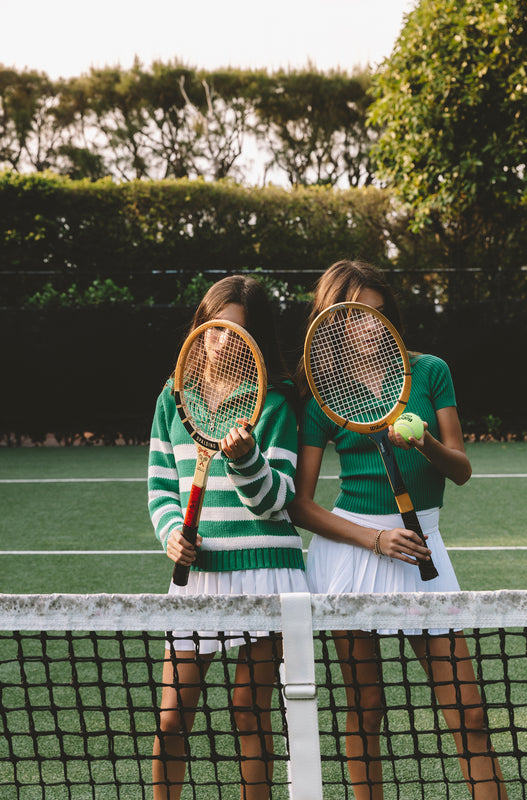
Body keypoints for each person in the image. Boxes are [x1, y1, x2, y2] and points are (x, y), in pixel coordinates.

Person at [288, 260, 507, 800]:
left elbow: (461, 470)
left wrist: (426, 442)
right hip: (352, 554)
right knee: (366, 709)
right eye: (356, 316)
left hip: (424, 549)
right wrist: (375, 540)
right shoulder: (321, 395)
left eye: (377, 314)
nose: (369, 326)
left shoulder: (430, 371)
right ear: (334, 322)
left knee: (470, 711)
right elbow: (300, 505)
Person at [148, 275, 307, 800]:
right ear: (201, 328)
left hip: (266, 571)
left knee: (249, 712)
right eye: (215, 329)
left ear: (255, 340)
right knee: (171, 719)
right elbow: (161, 488)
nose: (223, 341)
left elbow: (273, 501)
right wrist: (173, 534)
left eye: (237, 333)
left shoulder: (278, 401)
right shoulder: (173, 400)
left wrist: (245, 460)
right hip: (197, 580)